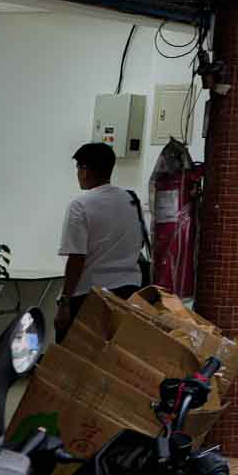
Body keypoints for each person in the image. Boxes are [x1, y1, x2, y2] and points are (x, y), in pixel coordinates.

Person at [56, 142, 148, 338]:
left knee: (75, 353)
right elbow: (140, 243)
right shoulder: (131, 200)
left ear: (85, 170)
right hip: (128, 294)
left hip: (90, 298)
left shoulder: (80, 205)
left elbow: (77, 258)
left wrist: (65, 301)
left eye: (78, 168)